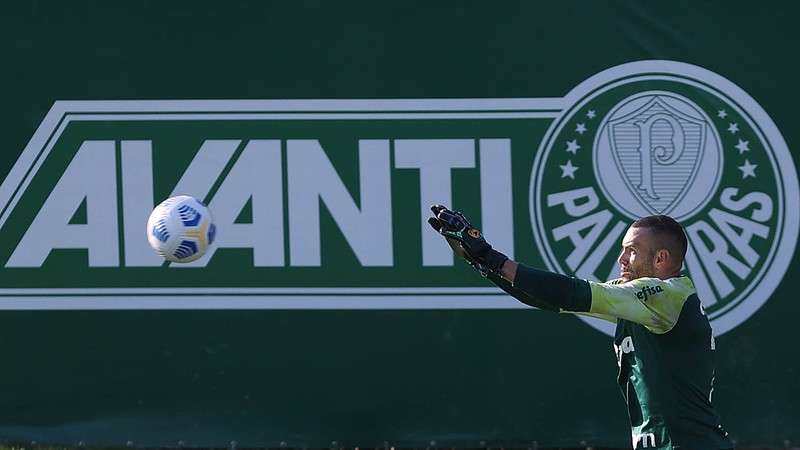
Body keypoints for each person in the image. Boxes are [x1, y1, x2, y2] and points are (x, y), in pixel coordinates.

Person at [428, 205, 733, 450]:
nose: (621, 259)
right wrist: (480, 261)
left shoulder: (666, 295)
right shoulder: (639, 299)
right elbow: (551, 299)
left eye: (632, 250)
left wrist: (490, 256)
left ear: (661, 258)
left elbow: (571, 292)